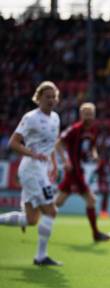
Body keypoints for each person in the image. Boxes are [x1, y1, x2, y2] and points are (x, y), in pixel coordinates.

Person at [0, 81, 62, 266]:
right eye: (47, 97)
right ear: (39, 98)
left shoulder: (56, 118)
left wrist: (54, 162)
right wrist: (33, 153)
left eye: (53, 97)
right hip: (31, 169)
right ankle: (41, 256)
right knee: (51, 211)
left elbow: (52, 143)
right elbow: (13, 143)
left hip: (41, 170)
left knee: (31, 219)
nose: (51, 100)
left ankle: (40, 256)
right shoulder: (31, 117)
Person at [54, 103, 110, 242]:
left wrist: (95, 154)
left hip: (78, 170)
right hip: (73, 170)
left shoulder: (93, 130)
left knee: (58, 202)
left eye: (91, 113)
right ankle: (96, 234)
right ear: (81, 115)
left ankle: (30, 215)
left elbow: (92, 147)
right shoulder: (74, 129)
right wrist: (65, 161)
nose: (89, 116)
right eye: (86, 113)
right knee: (91, 200)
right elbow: (58, 143)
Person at [96, 148, 110, 219]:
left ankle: (104, 211)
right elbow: (97, 171)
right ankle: (102, 211)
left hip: (107, 182)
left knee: (106, 196)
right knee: (104, 195)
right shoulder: (102, 163)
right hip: (102, 181)